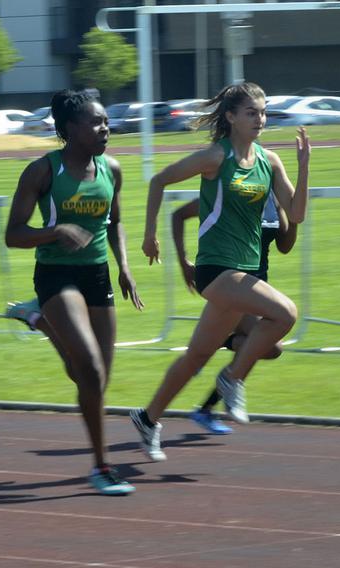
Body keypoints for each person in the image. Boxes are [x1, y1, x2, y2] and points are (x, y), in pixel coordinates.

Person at [130, 82, 310, 461]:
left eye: (263, 112)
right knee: (286, 313)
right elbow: (159, 180)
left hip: (244, 272)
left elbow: (296, 215)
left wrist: (304, 167)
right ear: (230, 117)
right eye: (251, 113)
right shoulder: (215, 157)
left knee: (195, 357)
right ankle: (231, 379)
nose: (260, 119)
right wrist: (149, 235)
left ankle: (148, 419)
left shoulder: (269, 161)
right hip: (215, 269)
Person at [4, 89, 144, 495]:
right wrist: (55, 231)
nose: (106, 128)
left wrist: (124, 267)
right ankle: (101, 467)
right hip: (55, 275)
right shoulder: (42, 172)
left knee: (95, 381)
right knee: (91, 371)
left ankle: (42, 323)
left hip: (97, 276)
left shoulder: (112, 170)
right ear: (68, 129)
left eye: (106, 121)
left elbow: (115, 221)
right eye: (96, 122)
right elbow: (13, 234)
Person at [171, 192, 298, 435]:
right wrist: (184, 261)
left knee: (263, 348)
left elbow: (284, 246)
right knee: (266, 346)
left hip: (257, 289)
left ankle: (207, 397)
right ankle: (210, 356)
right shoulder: (229, 193)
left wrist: (294, 219)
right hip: (229, 284)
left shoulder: (275, 200)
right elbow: (178, 215)